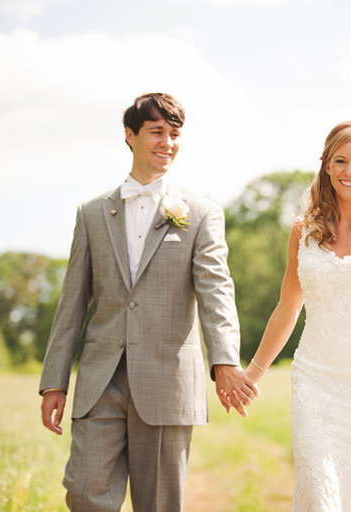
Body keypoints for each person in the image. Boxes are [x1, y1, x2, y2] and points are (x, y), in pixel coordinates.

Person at [39, 92, 258, 512]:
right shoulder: (91, 213)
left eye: (174, 134)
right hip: (101, 380)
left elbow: (216, 290)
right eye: (156, 131)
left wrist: (225, 360)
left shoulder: (202, 212)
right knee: (83, 491)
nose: (167, 142)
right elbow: (72, 303)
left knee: (158, 504)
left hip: (167, 380)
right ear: (130, 135)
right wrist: (55, 382)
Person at [237, 120, 351, 511]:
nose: (349, 172)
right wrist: (252, 373)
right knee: (321, 491)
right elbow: (288, 309)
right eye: (340, 161)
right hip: (315, 381)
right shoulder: (304, 230)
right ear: (326, 165)